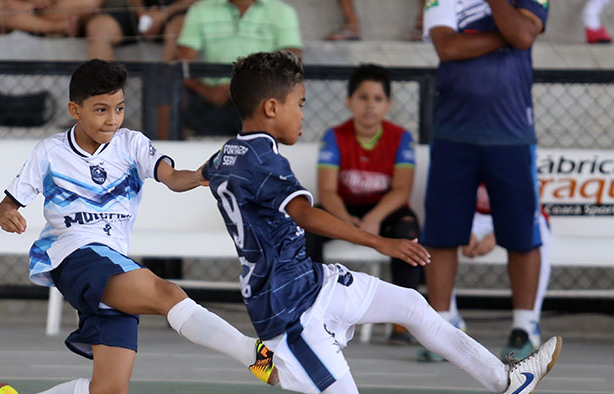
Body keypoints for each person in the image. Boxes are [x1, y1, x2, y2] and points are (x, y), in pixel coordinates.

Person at [197, 50, 562, 394]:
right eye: (300, 104)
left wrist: (157, 169)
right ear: (271, 107)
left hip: (310, 282)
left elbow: (192, 176)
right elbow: (306, 214)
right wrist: (379, 243)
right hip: (288, 306)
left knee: (411, 305)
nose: (303, 114)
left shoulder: (228, 153)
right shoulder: (266, 160)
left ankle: (506, 382)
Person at [0, 59, 277, 394]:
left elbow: (172, 178)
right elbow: (5, 205)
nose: (112, 119)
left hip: (112, 263)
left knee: (108, 391)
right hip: (72, 256)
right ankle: (253, 354)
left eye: (119, 108)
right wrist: (5, 215)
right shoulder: (50, 152)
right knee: (166, 293)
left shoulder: (132, 144)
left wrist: (200, 175)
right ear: (75, 110)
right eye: (101, 109)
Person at [422, 0, 548, 361]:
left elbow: (523, 36)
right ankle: (442, 326)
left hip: (512, 135)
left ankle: (525, 327)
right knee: (442, 234)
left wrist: (510, 27)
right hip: (453, 134)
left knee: (522, 234)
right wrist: (507, 36)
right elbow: (448, 47)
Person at [306, 63, 421, 346]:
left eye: (378, 98)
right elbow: (327, 190)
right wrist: (346, 220)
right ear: (349, 101)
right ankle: (309, 309)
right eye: (363, 97)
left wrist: (375, 218)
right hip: (343, 207)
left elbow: (401, 190)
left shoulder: (401, 138)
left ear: (388, 104)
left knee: (408, 230)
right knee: (307, 226)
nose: (370, 105)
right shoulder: (334, 136)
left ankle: (403, 322)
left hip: (385, 210)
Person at [420, 184, 553, 361]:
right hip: (471, 215)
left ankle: (527, 327)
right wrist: (462, 228)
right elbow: (448, 196)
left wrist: (498, 234)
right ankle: (445, 322)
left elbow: (528, 200)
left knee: (536, 232)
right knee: (440, 224)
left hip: (511, 215)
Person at [176, 0, 302, 137]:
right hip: (213, 98)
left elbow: (291, 66)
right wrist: (206, 90)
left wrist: (245, 88)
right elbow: (183, 64)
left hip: (261, 97)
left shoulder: (282, 12)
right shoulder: (200, 9)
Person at [86, 0, 197, 62]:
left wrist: (164, 13)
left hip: (178, 11)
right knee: (98, 28)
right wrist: (141, 12)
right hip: (140, 11)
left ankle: (163, 89)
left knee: (180, 29)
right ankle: (107, 91)